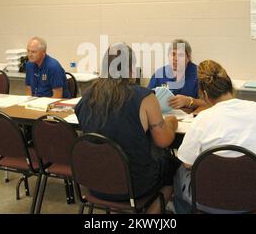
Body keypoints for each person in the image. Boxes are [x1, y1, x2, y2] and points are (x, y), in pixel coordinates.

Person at [75, 43, 179, 213]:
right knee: (172, 165)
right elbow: (163, 141)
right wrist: (171, 124)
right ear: (131, 69)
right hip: (134, 184)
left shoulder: (86, 96)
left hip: (93, 180)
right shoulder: (144, 97)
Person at [173, 60, 256, 213]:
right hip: (254, 198)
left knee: (180, 170)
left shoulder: (202, 118)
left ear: (205, 95)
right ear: (230, 86)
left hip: (209, 201)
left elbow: (187, 163)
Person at [147, 39, 206, 111]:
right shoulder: (160, 74)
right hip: (164, 117)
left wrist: (189, 101)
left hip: (190, 118)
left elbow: (211, 103)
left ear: (188, 57)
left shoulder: (200, 74)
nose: (175, 59)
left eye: (180, 55)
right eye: (173, 54)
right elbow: (145, 98)